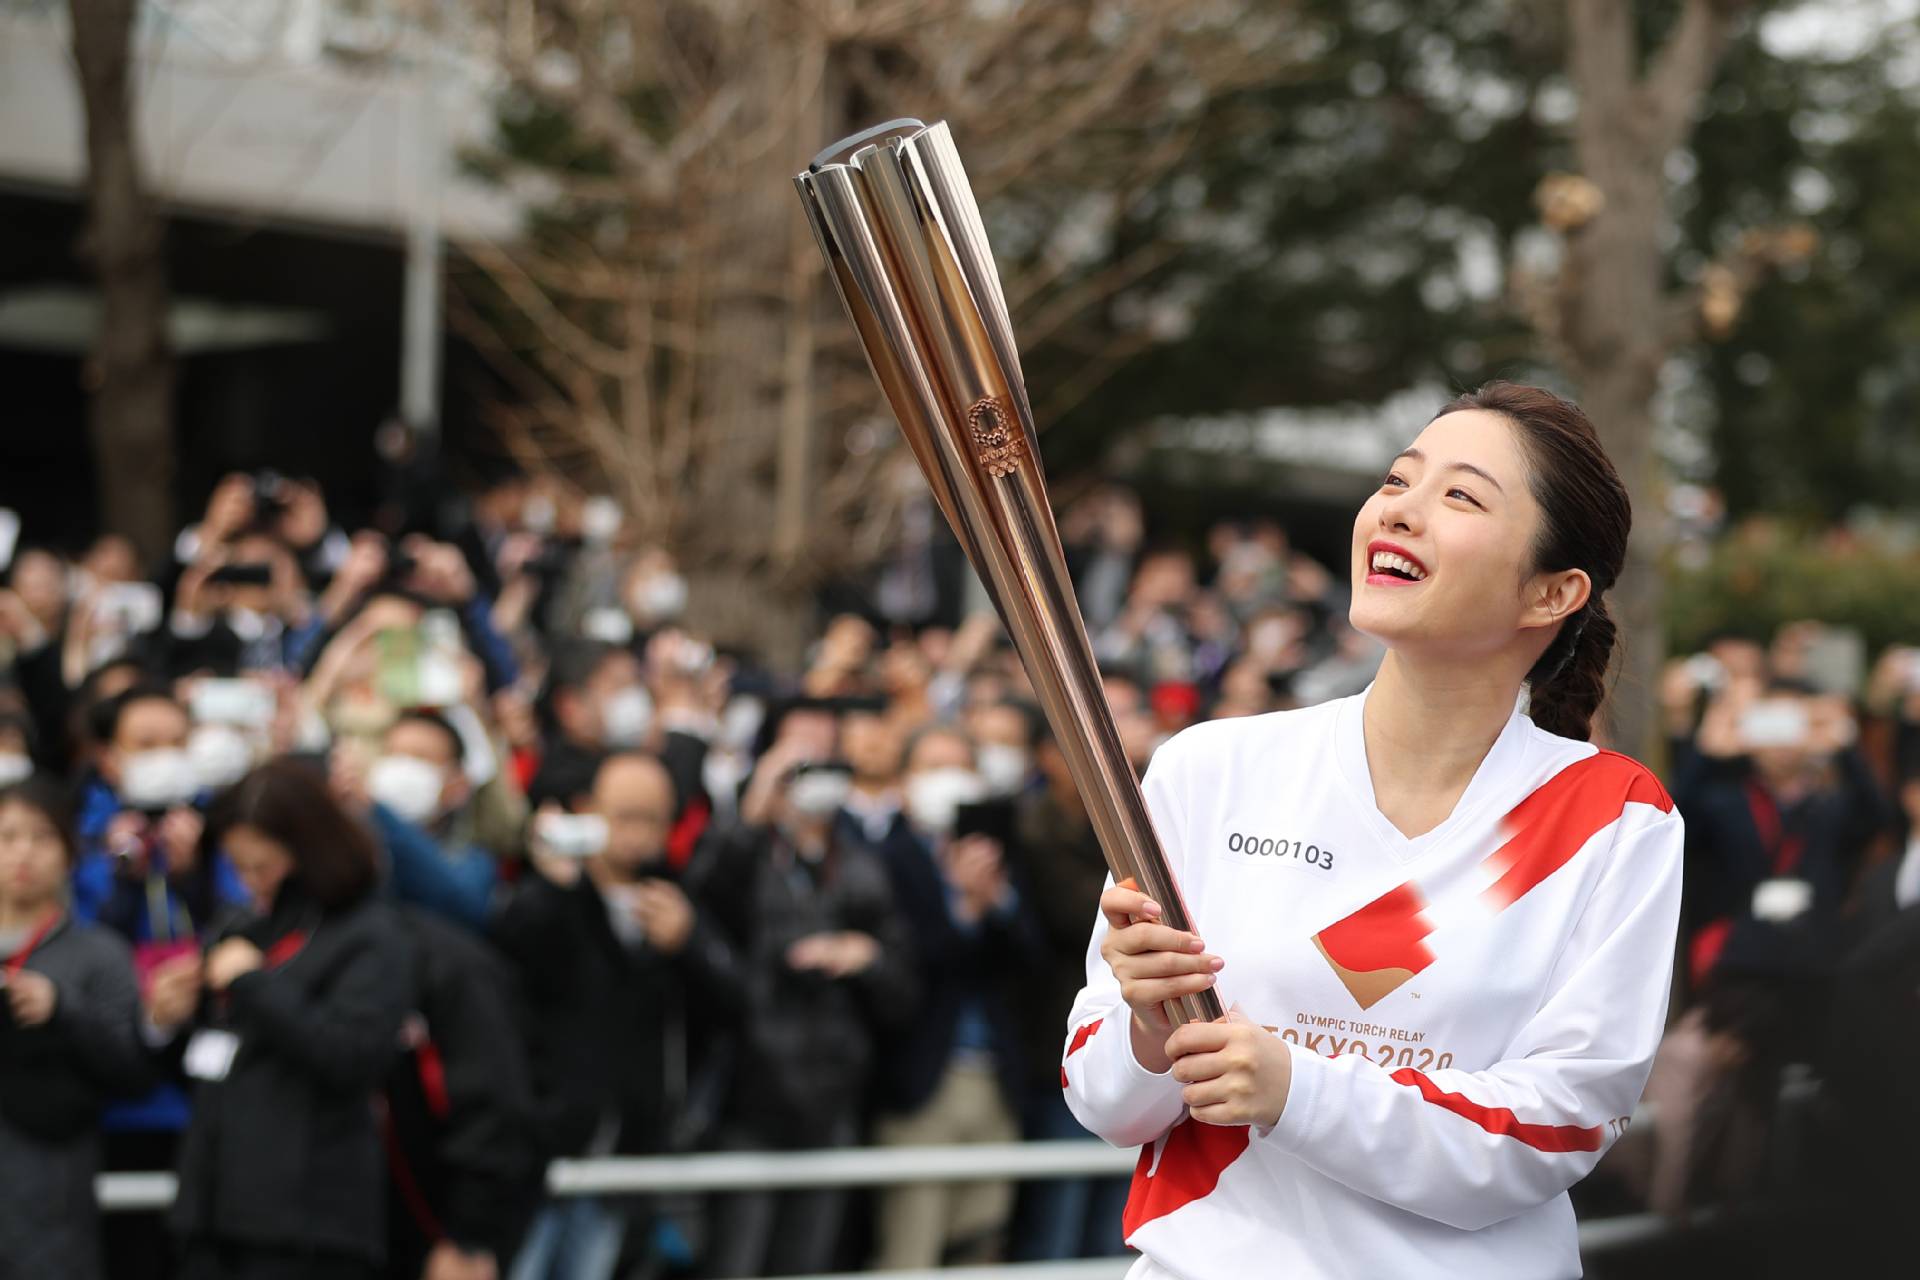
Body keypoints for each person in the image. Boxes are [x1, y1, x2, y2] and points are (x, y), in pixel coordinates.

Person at [1064, 383, 1685, 1278]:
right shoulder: (1213, 770)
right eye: (1398, 479)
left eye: (1461, 496)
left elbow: (1557, 1127)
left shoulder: (1610, 820)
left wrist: (1296, 1089)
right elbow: (1105, 1103)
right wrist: (1146, 1026)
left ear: (1553, 592)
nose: (1401, 510)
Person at [151, 758, 411, 1280]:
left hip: (310, 1224)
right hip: (212, 1208)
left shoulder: (368, 933)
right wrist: (167, 1018)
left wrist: (254, 984)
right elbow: (208, 1059)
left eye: (262, 865)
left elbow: (353, 1055)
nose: (250, 882)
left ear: (308, 851)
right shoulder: (242, 926)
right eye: (237, 866)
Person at [493, 752, 744, 1280]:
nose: (639, 833)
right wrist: (556, 885)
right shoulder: (552, 894)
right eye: (625, 815)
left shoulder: (675, 900)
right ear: (589, 811)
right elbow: (510, 959)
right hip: (545, 1153)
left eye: (654, 818)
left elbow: (734, 1004)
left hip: (627, 1155)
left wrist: (689, 943)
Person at [693, 757, 918, 1277]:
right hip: (748, 1099)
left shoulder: (862, 866)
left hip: (833, 1097)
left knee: (809, 1263)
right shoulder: (747, 855)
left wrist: (867, 957)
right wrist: (754, 810)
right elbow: (703, 905)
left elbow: (903, 984)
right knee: (736, 1258)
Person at [868, 725, 1043, 1269]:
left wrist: (997, 902)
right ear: (905, 782)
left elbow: (1033, 963)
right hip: (924, 1080)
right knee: (911, 1245)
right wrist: (963, 910)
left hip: (995, 1078)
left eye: (957, 765)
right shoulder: (888, 858)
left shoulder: (998, 852)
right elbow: (903, 969)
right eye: (931, 766)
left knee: (982, 1238)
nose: (946, 779)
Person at [0, 778, 154, 1280]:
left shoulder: (99, 952)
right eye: (7, 837)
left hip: (50, 1188)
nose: (23, 853)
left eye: (42, 837)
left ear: (69, 853)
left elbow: (132, 1068)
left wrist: (63, 1008)